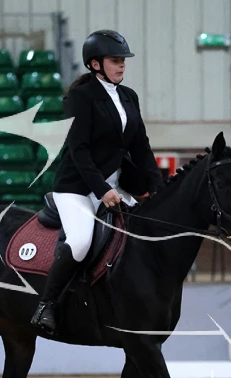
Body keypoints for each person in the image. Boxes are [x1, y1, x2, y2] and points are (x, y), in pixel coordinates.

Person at [30, 29, 164, 334]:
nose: (122, 65)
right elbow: (78, 149)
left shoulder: (129, 96)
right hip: (77, 187)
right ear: (95, 64)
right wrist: (101, 190)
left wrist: (157, 187)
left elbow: (141, 146)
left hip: (117, 186)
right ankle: (46, 305)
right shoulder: (80, 97)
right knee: (80, 241)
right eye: (115, 60)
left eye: (123, 60)